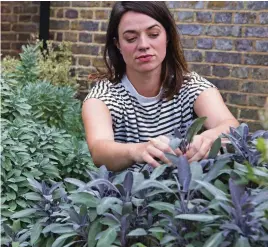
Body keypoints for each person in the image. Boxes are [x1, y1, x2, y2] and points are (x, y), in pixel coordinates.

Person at [82, 1, 239, 172]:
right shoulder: (103, 97)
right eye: (131, 38)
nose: (143, 45)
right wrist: (137, 150)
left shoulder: (190, 86)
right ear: (118, 44)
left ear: (168, 37)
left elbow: (230, 124)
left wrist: (209, 137)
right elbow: (99, 150)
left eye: (153, 34)